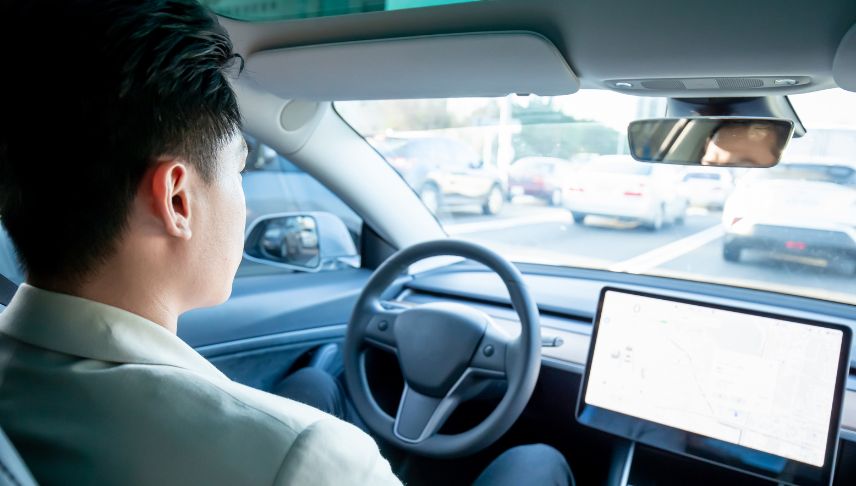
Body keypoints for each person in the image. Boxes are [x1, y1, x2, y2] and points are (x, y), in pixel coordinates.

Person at [0, 1, 573, 485]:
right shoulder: (308, 458)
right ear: (178, 200)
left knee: (315, 385)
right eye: (240, 171)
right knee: (536, 461)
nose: (242, 198)